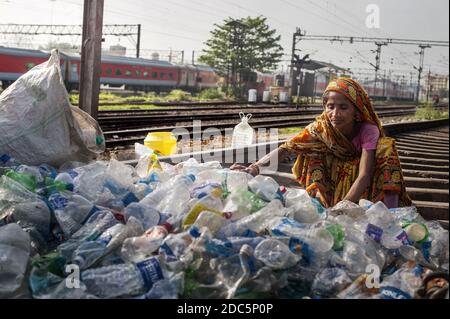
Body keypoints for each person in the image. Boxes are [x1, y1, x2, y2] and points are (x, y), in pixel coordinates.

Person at [231, 77, 411, 209]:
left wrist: (344, 206)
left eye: (343, 108)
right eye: (330, 107)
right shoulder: (320, 129)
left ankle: (390, 212)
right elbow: (286, 148)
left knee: (386, 148)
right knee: (312, 151)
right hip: (335, 179)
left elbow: (365, 173)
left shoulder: (368, 130)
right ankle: (321, 204)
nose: (335, 113)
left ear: (356, 112)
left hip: (363, 186)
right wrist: (253, 168)